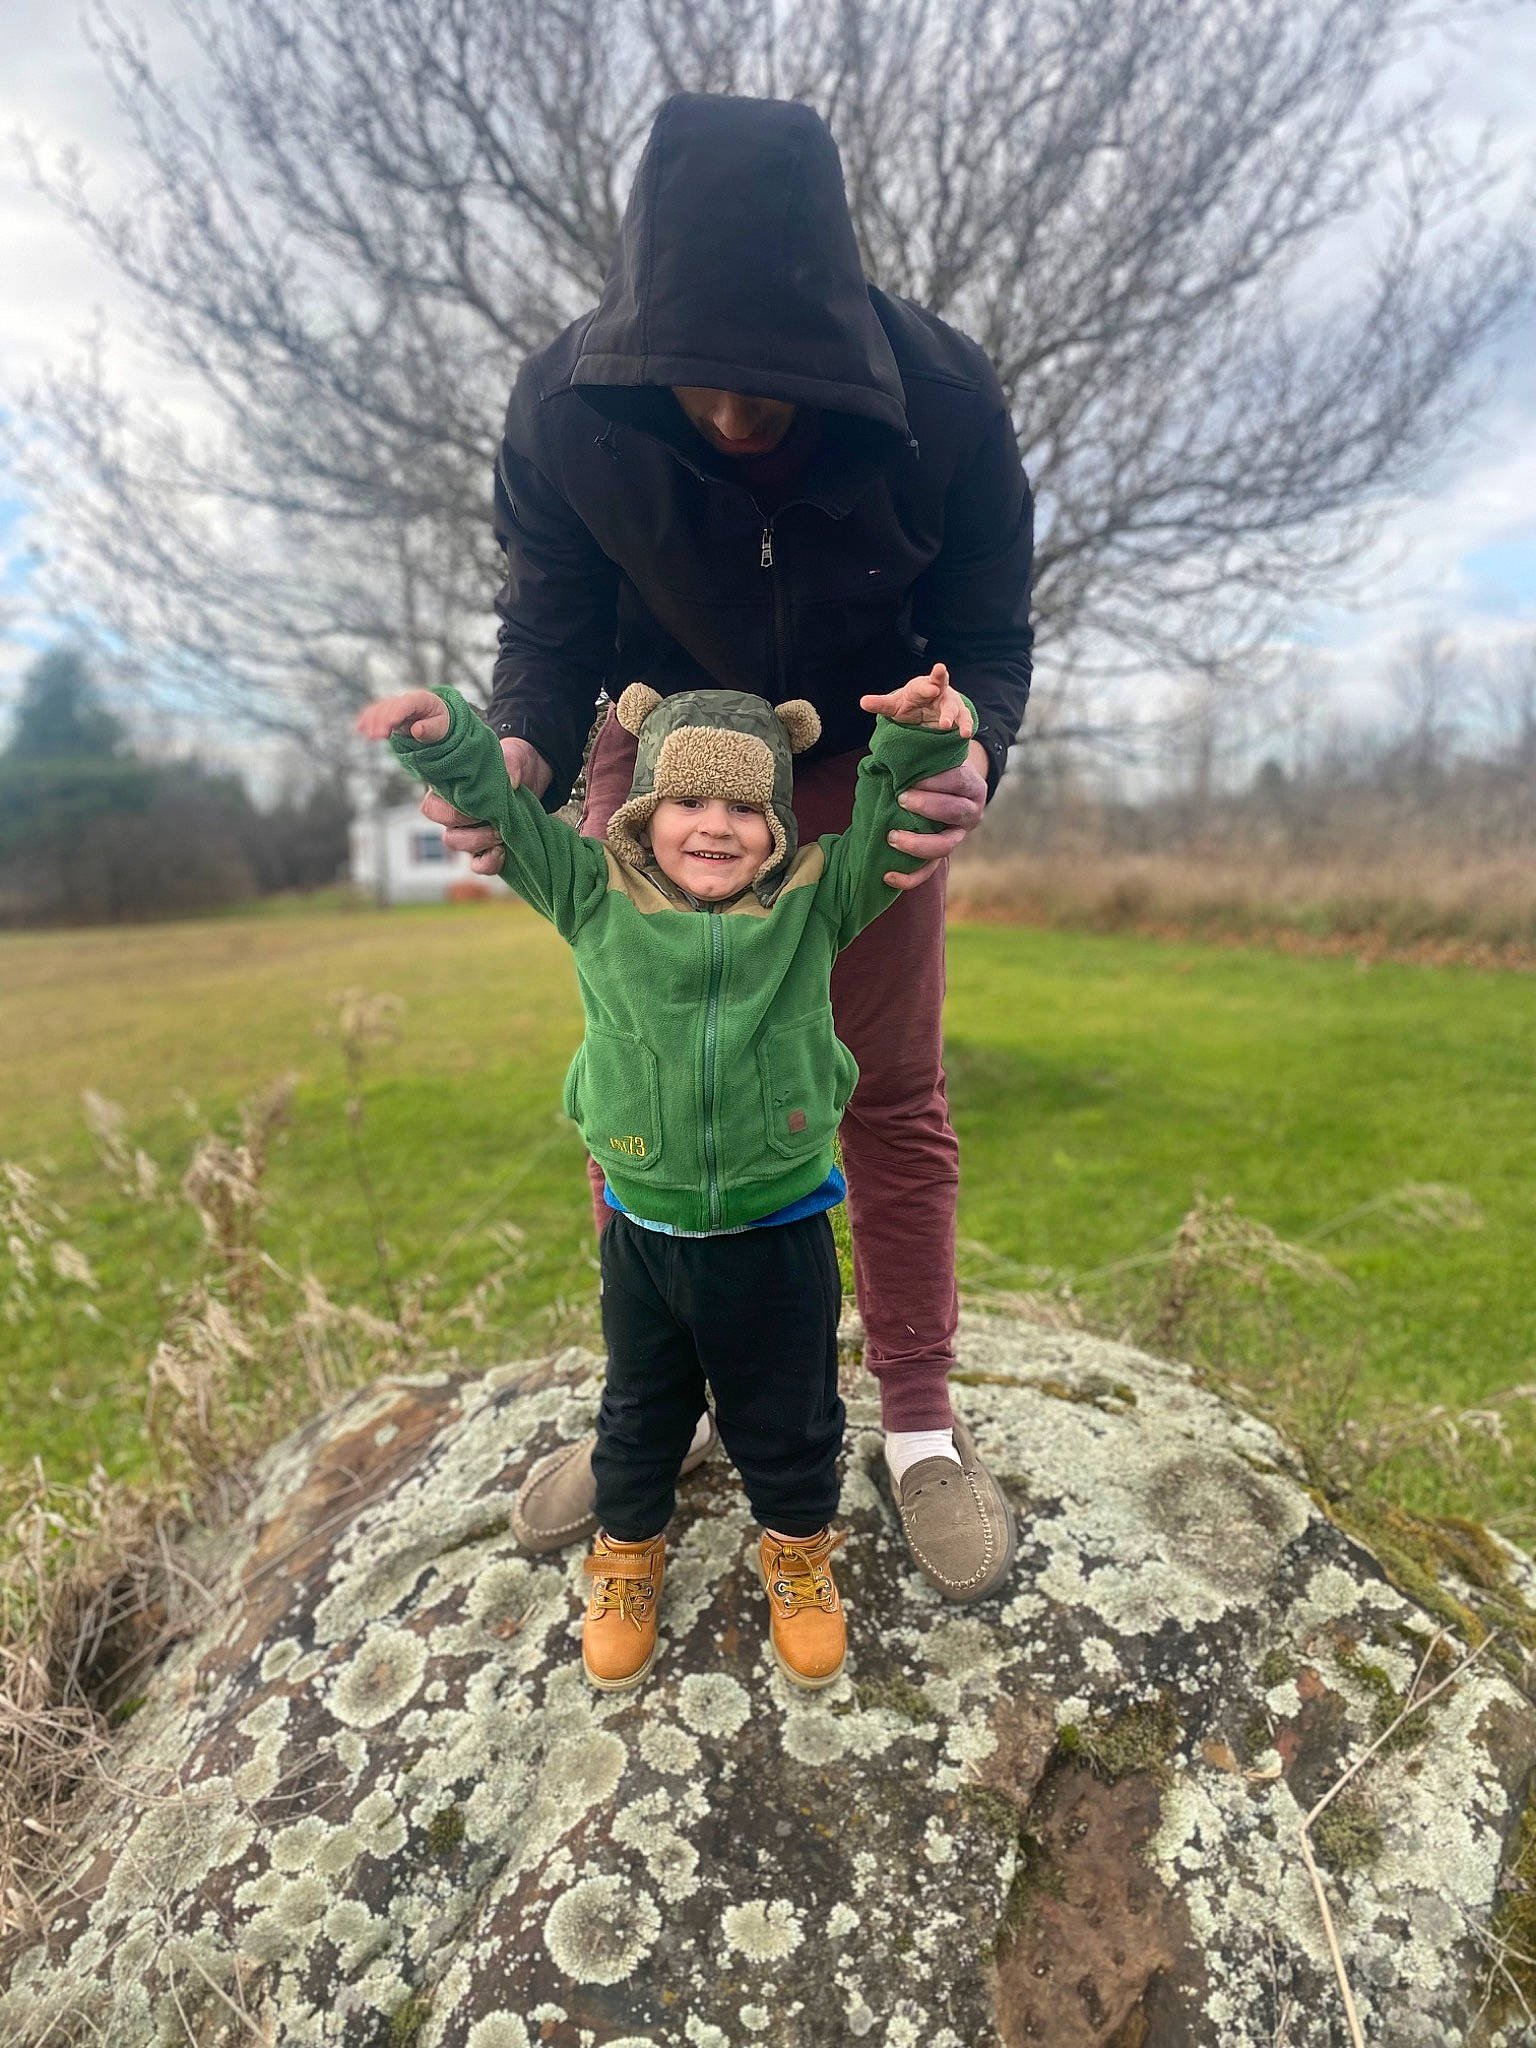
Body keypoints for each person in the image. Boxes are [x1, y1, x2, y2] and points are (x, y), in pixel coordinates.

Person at [423, 91, 1034, 1602]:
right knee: (645, 1078)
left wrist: (969, 749)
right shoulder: (564, 402)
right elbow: (549, 619)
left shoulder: (946, 397)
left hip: (860, 754)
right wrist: (522, 749)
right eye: (703, 382)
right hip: (654, 751)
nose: (740, 415)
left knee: (884, 1089)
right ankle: (669, 1403)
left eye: (776, 384)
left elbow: (990, 637)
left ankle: (916, 1426)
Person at [355, 661, 991, 1690]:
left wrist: (916, 740)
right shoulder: (592, 898)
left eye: (745, 805)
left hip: (778, 1231)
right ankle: (627, 1553)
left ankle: (795, 1552)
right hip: (644, 1235)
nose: (715, 824)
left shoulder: (812, 905)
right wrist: (445, 742)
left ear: (779, 827)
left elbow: (882, 834)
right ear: (644, 811)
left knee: (794, 1418)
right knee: (640, 1410)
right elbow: (508, 823)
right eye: (689, 799)